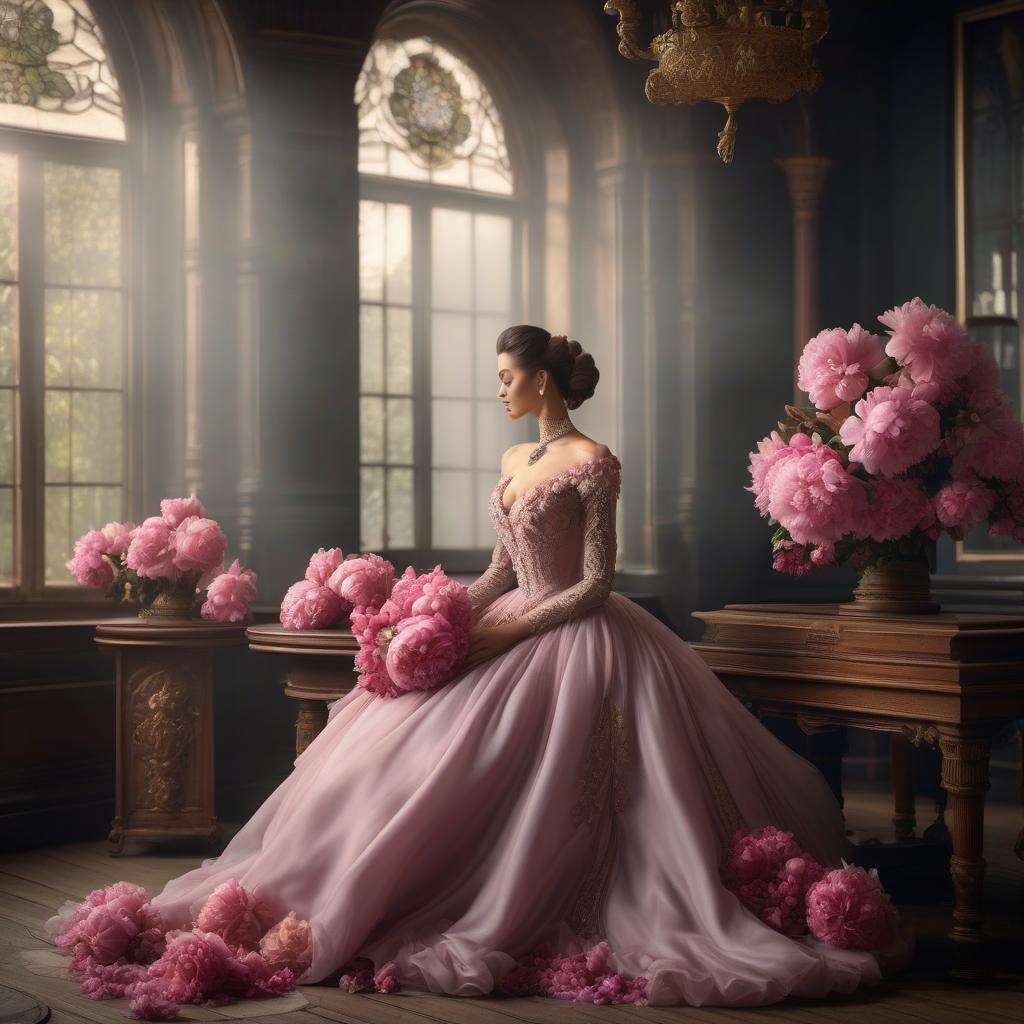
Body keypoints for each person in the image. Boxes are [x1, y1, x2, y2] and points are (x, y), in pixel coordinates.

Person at [48, 324, 908, 1010]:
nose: (499, 390)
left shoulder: (593, 461)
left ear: (542, 381)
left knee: (582, 794)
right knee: (397, 756)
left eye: (506, 377)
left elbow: (595, 581)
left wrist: (503, 636)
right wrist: (448, 616)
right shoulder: (512, 462)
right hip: (508, 616)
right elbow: (501, 570)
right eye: (499, 377)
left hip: (581, 634)